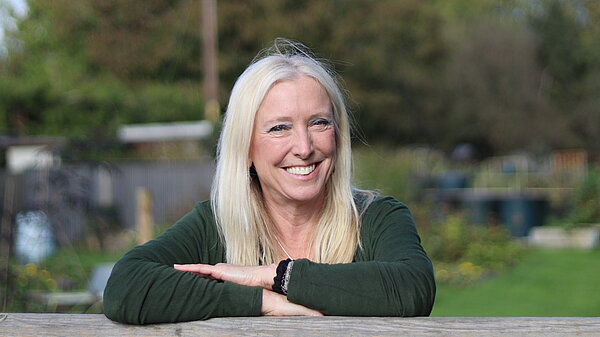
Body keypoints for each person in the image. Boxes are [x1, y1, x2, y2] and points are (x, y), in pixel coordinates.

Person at [103, 39, 435, 324]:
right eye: (279, 128)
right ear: (245, 147)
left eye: (318, 123)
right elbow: (126, 286)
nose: (304, 148)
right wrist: (260, 302)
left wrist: (275, 276)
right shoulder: (215, 226)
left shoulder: (378, 219)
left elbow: (412, 287)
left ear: (338, 134)